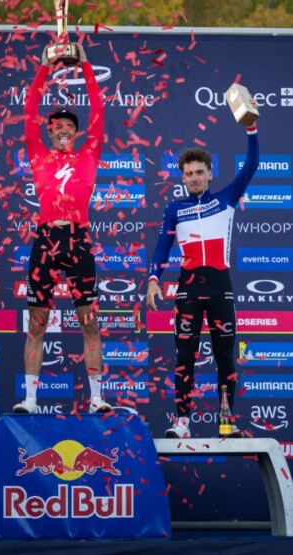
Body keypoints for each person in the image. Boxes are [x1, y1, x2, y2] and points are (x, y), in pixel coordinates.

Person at [146, 111, 260, 439]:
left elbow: (251, 165)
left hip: (220, 285)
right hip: (189, 288)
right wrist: (153, 279)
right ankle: (182, 422)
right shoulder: (175, 209)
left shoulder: (226, 198)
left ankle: (226, 422)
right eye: (188, 174)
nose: (194, 178)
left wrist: (251, 128)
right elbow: (162, 247)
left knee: (225, 356)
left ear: (210, 174)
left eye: (199, 172)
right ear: (182, 178)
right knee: (185, 356)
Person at [13, 43, 110, 415]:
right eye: (57, 125)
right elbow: (29, 111)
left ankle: (97, 397)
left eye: (70, 125)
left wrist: (85, 65)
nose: (64, 129)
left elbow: (98, 110)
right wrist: (43, 66)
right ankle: (30, 399)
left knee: (89, 322)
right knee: (37, 323)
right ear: (50, 131)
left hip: (78, 239)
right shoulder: (38, 155)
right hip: (46, 239)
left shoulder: (89, 154)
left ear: (77, 132)